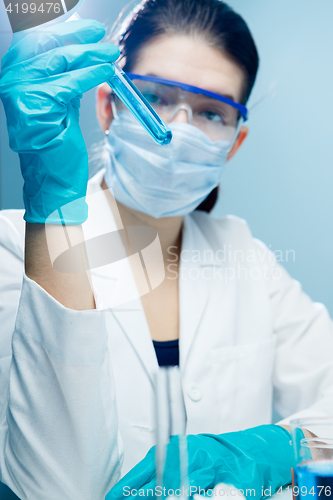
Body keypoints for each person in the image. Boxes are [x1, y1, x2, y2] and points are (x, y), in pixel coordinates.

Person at [0, 0, 332, 498]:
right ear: (108, 106)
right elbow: (54, 487)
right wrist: (53, 210)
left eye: (211, 112)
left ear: (233, 143)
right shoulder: (13, 247)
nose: (179, 129)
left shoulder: (247, 258)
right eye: (154, 97)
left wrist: (286, 447)